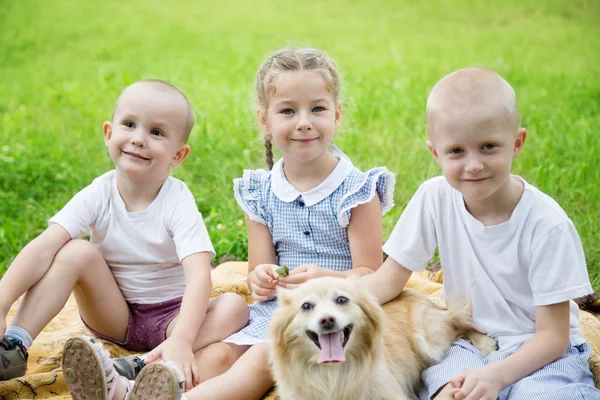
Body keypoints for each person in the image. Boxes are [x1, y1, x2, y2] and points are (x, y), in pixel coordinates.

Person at [88, 47, 395, 400]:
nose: (304, 122)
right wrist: (262, 279)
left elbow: (371, 274)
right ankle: (133, 386)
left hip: (333, 316)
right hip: (277, 310)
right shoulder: (259, 191)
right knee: (220, 354)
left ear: (337, 114)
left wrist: (324, 278)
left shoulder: (357, 190)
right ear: (264, 119)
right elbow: (256, 277)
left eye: (318, 109)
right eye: (288, 111)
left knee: (261, 360)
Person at [0, 80, 250, 397]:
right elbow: (46, 244)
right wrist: (2, 301)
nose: (138, 139)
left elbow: (199, 273)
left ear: (179, 154)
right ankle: (15, 346)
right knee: (75, 251)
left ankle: (141, 365)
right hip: (113, 313)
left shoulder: (177, 200)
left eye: (156, 132)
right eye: (129, 124)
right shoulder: (99, 193)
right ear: (109, 133)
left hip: (172, 318)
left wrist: (183, 338)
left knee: (234, 306)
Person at [362, 67, 600, 400]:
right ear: (435, 153)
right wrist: (325, 300)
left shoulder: (548, 225)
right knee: (449, 391)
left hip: (539, 351)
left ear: (517, 143)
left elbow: (553, 336)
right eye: (456, 151)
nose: (473, 165)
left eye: (488, 147)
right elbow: (388, 281)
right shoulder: (435, 197)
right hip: (467, 340)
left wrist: (496, 376)